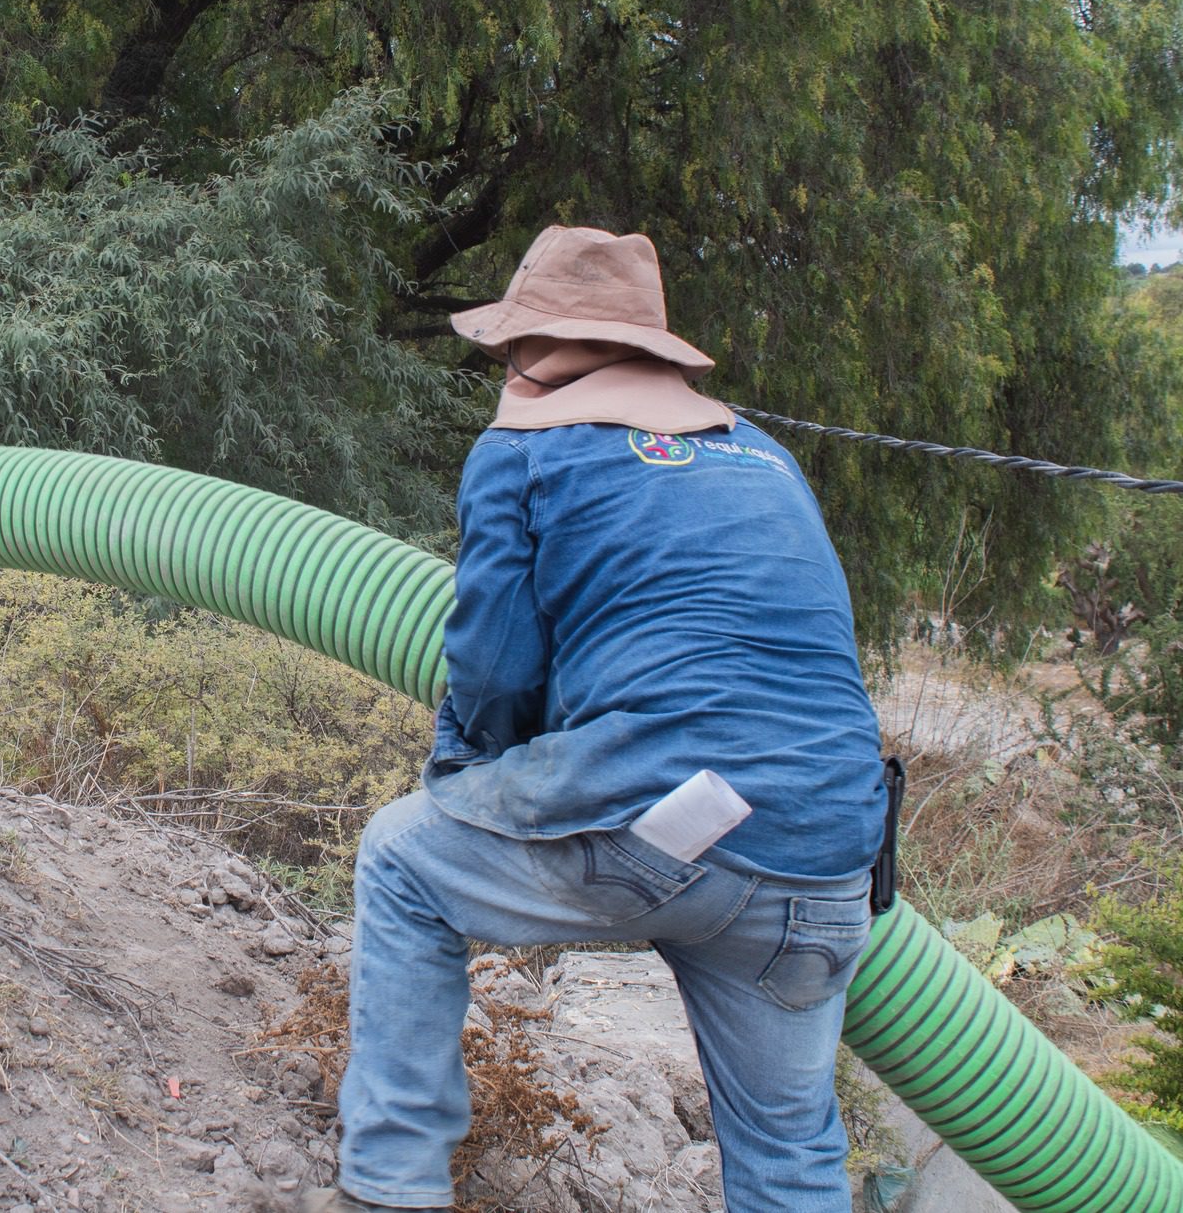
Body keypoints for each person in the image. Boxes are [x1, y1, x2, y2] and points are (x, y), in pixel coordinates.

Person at [306, 226, 888, 1212]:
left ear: (525, 356)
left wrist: (467, 781)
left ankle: (387, 1185)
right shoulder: (765, 460)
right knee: (791, 1156)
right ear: (656, 354)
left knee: (403, 859)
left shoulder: (523, 451)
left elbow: (491, 670)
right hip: (826, 856)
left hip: (649, 822)